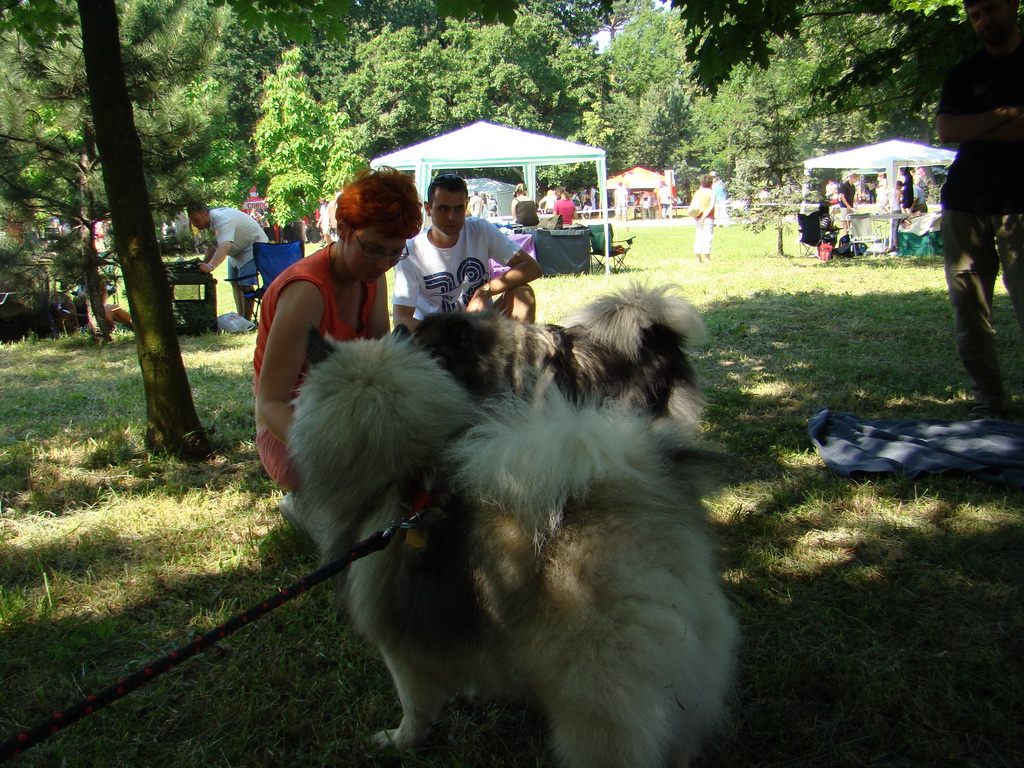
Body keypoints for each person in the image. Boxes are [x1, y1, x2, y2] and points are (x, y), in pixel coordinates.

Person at [253, 166, 422, 493]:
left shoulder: (372, 277)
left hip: (346, 411)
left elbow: (378, 369)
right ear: (344, 229)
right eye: (372, 248)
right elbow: (271, 404)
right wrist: (335, 453)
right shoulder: (307, 292)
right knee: (357, 487)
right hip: (293, 425)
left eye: (394, 253)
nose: (382, 263)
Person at [935, 0, 1024, 418]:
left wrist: (979, 125)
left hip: (1019, 205)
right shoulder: (965, 72)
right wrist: (1004, 114)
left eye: (990, 10)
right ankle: (989, 399)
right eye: (975, 15)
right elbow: (948, 130)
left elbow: (963, 128)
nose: (984, 21)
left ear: (1013, 6)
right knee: (968, 307)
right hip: (964, 201)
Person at [394, 173, 542, 331]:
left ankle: (519, 355)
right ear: (428, 209)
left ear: (466, 207)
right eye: (443, 208)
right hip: (438, 337)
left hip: (483, 327)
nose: (452, 217)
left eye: (458, 208)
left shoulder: (480, 230)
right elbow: (402, 318)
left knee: (522, 293)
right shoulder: (412, 252)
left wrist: (484, 291)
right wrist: (445, 339)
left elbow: (532, 268)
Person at [187, 203, 269, 322]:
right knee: (234, 283)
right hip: (236, 252)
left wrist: (211, 266)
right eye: (192, 221)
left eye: (196, 220)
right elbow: (213, 246)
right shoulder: (209, 223)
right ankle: (240, 317)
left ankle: (246, 320)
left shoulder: (222, 219)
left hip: (252, 247)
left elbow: (224, 247)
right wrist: (202, 263)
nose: (195, 224)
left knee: (245, 285)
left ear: (205, 214)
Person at [690, 174, 716, 264]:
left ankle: (698, 258)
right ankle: (707, 257)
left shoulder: (698, 192)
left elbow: (694, 205)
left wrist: (698, 217)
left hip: (698, 216)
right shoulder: (711, 192)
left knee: (699, 236)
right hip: (708, 217)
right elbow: (711, 206)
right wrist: (704, 217)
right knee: (708, 236)